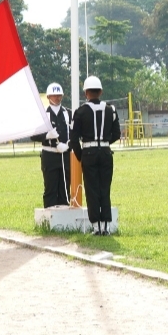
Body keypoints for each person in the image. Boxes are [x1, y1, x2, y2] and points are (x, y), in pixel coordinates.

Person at [70, 75, 121, 235]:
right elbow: (117, 134)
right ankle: (106, 226)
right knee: (104, 189)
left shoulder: (80, 112)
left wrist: (81, 155)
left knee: (92, 189)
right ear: (101, 92)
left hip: (88, 152)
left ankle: (96, 226)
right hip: (105, 152)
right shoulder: (111, 109)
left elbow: (73, 139)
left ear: (86, 93)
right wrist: (104, 143)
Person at [29, 82, 72, 208]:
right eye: (54, 95)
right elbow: (33, 135)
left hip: (64, 155)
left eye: (59, 95)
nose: (57, 98)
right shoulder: (43, 115)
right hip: (49, 155)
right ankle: (49, 215)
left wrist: (68, 145)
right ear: (48, 97)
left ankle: (64, 214)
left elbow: (75, 134)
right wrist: (46, 136)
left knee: (65, 188)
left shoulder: (68, 113)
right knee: (50, 188)